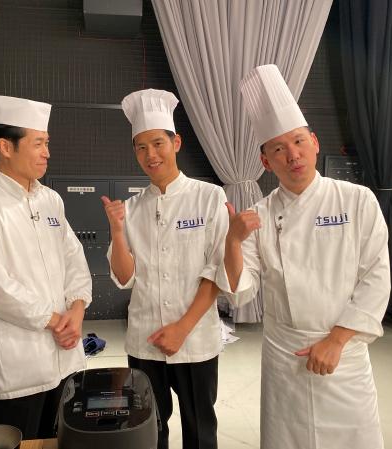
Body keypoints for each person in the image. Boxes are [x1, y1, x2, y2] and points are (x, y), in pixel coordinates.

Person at [220, 65, 390, 448]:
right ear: (266, 161)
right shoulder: (259, 214)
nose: (292, 155)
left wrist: (337, 340)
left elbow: (376, 278)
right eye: (278, 148)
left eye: (298, 141)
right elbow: (240, 292)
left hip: (344, 353)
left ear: (314, 142)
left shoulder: (357, 200)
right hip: (285, 355)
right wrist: (232, 241)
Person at [0, 95, 92, 439]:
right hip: (16, 372)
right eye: (38, 143)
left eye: (47, 143)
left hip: (66, 360)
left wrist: (76, 310)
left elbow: (74, 259)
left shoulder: (51, 200)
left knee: (62, 442)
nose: (47, 153)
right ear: (5, 147)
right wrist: (54, 321)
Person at [101, 89, 228, 449]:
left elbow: (216, 270)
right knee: (148, 431)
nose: (150, 155)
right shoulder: (132, 207)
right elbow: (124, 277)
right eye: (141, 147)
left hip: (195, 339)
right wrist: (117, 231)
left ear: (176, 142)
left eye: (158, 143)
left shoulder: (209, 197)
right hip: (145, 340)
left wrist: (182, 328)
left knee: (200, 430)